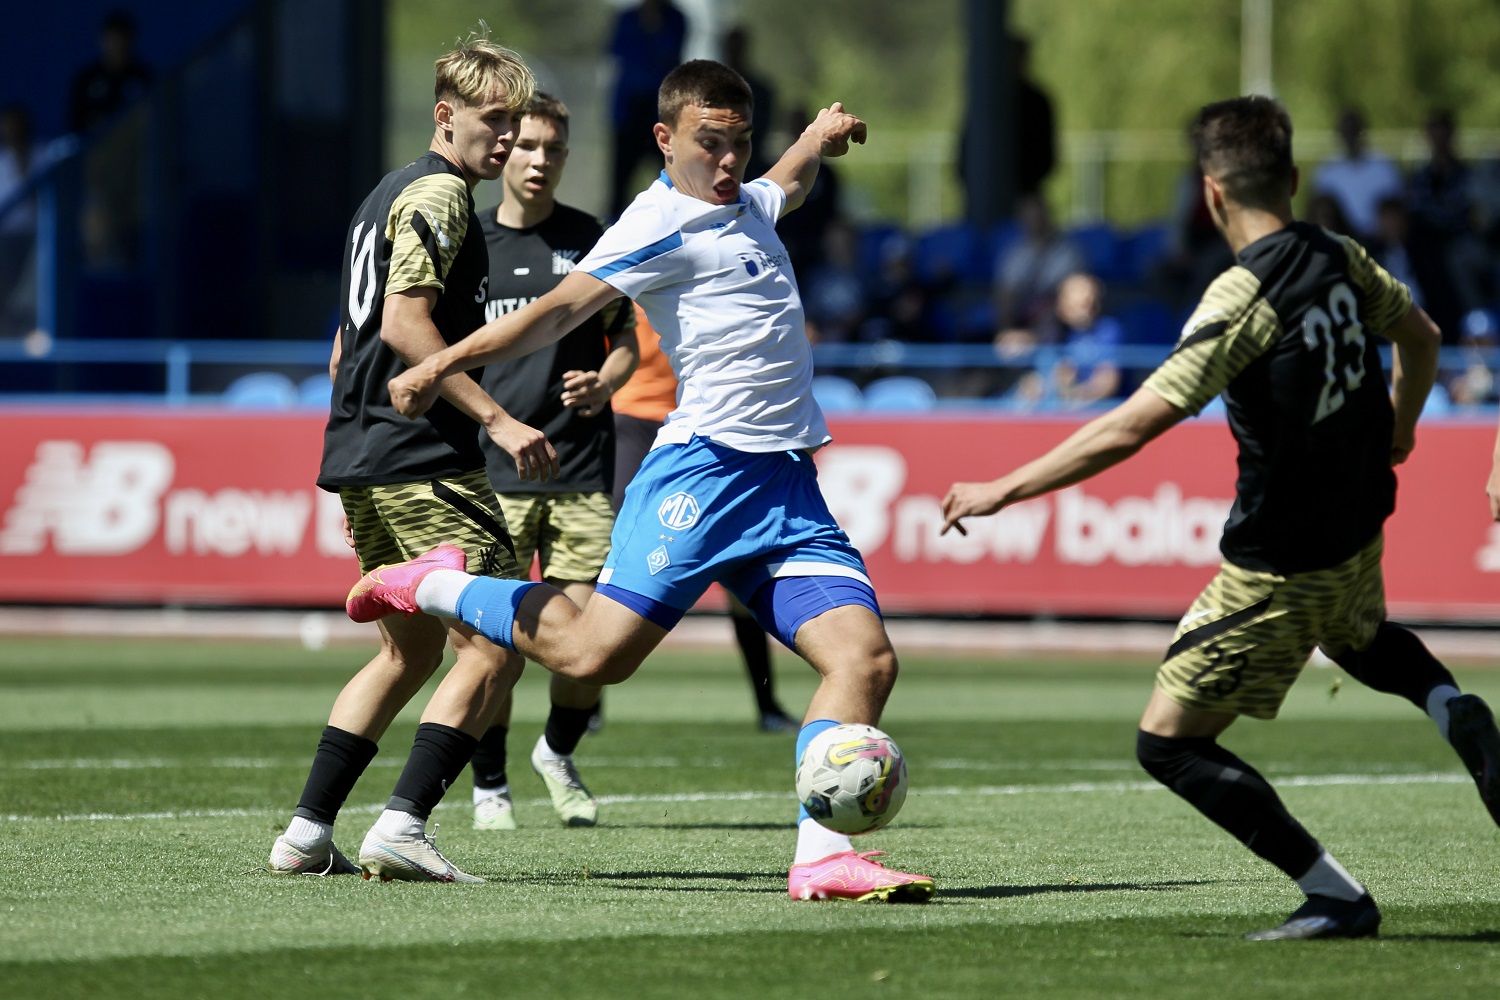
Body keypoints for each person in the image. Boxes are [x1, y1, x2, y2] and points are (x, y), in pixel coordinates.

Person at [359, 60, 934, 903]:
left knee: (866, 660)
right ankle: (433, 585)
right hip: (703, 476)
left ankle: (821, 858)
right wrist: (439, 363)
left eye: (740, 142)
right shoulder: (656, 222)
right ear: (665, 139)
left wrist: (817, 135)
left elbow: (788, 180)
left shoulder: (749, 202)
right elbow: (555, 312)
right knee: (592, 657)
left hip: (786, 486)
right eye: (710, 143)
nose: (729, 160)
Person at [942, 96, 1500, 940]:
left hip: (1280, 559)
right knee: (1355, 634)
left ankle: (1336, 896)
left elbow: (1132, 426)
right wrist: (1401, 429)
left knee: (1168, 743)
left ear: (1209, 194)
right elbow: (1422, 338)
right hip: (1357, 529)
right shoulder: (1339, 253)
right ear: (1294, 178)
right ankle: (1449, 703)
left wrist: (1002, 489)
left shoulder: (1242, 297)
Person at [267, 34, 550, 884]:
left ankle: (306, 833)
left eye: (515, 122)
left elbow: (344, 344)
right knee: (496, 646)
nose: (506, 137)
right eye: (493, 120)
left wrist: (361, 446)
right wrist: (497, 419)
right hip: (422, 457)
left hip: (363, 454)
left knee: (408, 653)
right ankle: (403, 825)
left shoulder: (382, 194)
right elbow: (402, 324)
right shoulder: (442, 193)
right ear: (445, 116)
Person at [468, 92, 639, 831]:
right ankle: (489, 784)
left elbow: (626, 342)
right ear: (506, 150)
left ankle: (558, 752)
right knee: (495, 641)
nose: (541, 160)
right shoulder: (470, 241)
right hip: (495, 473)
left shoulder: (590, 238)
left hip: (579, 471)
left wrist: (605, 381)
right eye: (529, 146)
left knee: (593, 642)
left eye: (555, 149)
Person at [611, 301, 798, 731]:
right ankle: (584, 710)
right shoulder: (626, 283)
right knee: (614, 557)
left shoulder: (714, 284)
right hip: (634, 419)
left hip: (705, 426)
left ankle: (767, 706)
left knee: (738, 558)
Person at [605, 0, 687, 218]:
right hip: (629, 112)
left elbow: (670, 54)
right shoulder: (627, 19)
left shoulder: (675, 19)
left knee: (671, 177)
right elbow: (618, 53)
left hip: (660, 112)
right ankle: (613, 225)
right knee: (620, 182)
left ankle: (674, 221)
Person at [1312, 108, 1402, 243]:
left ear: (1363, 132)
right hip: (1339, 243)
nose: (1350, 137)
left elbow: (1397, 212)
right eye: (1346, 132)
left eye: (1354, 131)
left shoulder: (1384, 168)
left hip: (1379, 242)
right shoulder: (1327, 171)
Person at [67, 9, 153, 134]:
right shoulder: (86, 78)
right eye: (112, 39)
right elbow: (75, 124)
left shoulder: (143, 76)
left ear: (131, 41)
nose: (117, 46)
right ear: (102, 40)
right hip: (97, 143)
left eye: (122, 39)